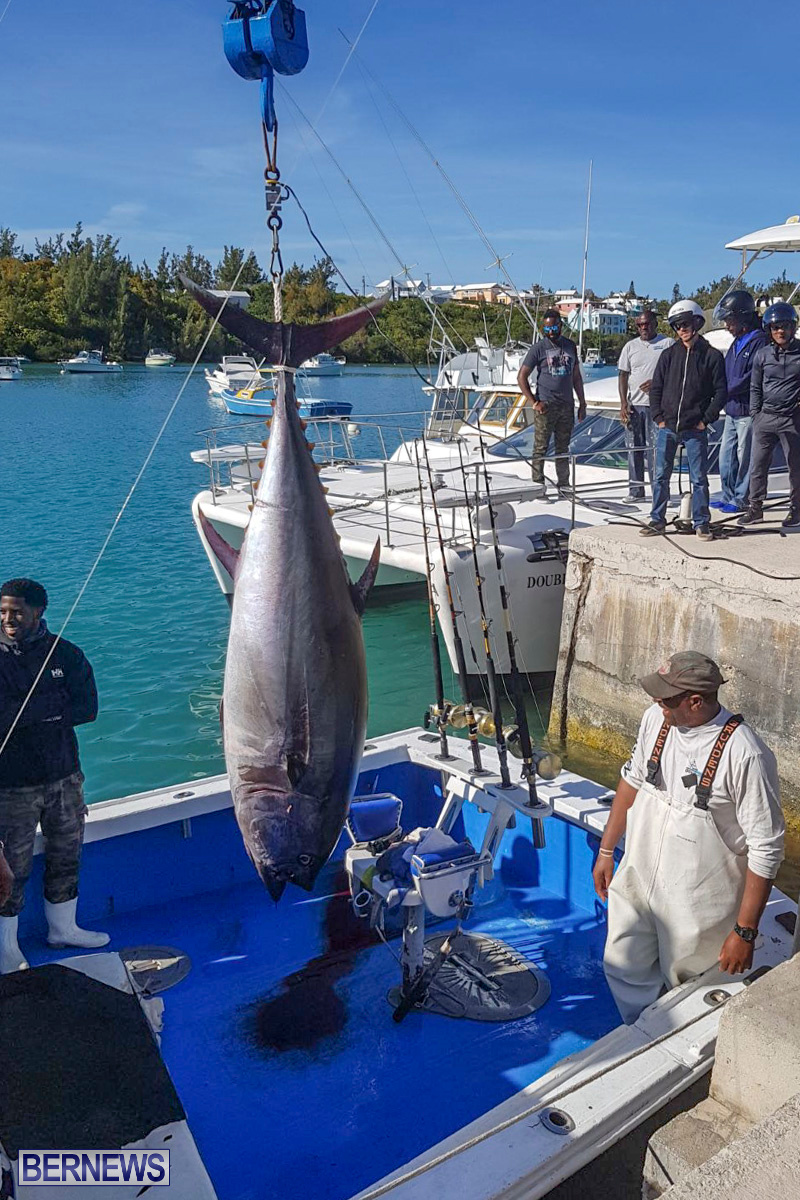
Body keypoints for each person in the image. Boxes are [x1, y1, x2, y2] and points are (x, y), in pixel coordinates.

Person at [593, 651, 785, 1025]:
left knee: (686, 984)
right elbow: (632, 780)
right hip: (639, 878)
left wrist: (744, 932)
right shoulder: (656, 720)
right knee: (622, 966)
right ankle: (637, 1031)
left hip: (699, 902)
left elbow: (766, 849)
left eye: (666, 698)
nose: (656, 703)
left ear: (695, 701)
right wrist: (605, 850)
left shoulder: (746, 754)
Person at [0, 578, 108, 974]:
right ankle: (6, 949)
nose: (9, 619)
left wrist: (32, 713)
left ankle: (64, 928)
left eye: (17, 612)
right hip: (11, 786)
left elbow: (88, 709)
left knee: (67, 851)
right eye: (3, 612)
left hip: (64, 777)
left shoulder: (66, 655)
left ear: (39, 612)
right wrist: (47, 710)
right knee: (12, 867)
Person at [640, 299, 727, 541]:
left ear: (696, 323)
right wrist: (658, 417)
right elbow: (656, 387)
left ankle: (702, 523)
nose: (682, 329)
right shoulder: (668, 355)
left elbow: (721, 392)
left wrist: (705, 420)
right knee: (660, 476)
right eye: (677, 325)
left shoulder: (711, 356)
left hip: (695, 428)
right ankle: (657, 519)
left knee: (699, 479)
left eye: (686, 324)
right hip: (667, 427)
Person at [739, 302, 800, 529]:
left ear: (793, 327)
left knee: (795, 468)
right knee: (757, 466)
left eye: (784, 326)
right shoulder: (763, 355)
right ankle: (755, 508)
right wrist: (756, 415)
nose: (780, 331)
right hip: (765, 418)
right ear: (769, 330)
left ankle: (796, 509)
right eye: (775, 327)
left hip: (792, 420)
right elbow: (755, 387)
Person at [517, 309, 587, 495]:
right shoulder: (538, 348)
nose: (551, 331)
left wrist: (582, 403)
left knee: (563, 448)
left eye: (554, 327)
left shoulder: (570, 346)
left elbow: (576, 377)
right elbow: (522, 377)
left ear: (561, 326)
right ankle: (538, 487)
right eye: (547, 328)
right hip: (545, 405)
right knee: (540, 447)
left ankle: (563, 485)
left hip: (566, 405)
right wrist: (534, 401)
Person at [714, 291, 768, 514]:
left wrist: (723, 391)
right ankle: (727, 494)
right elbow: (725, 373)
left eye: (730, 320)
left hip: (747, 410)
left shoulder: (760, 341)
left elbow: (751, 378)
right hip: (731, 409)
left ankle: (741, 498)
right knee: (725, 456)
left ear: (742, 318)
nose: (727, 325)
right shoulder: (736, 343)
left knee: (744, 457)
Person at [617, 310, 672, 501]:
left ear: (655, 324)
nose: (643, 328)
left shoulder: (667, 344)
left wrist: (657, 382)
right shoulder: (630, 347)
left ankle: (658, 492)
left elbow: (675, 373)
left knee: (656, 451)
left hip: (658, 406)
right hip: (635, 406)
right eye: (640, 325)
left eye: (647, 324)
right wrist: (624, 403)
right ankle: (636, 491)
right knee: (634, 449)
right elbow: (623, 375)